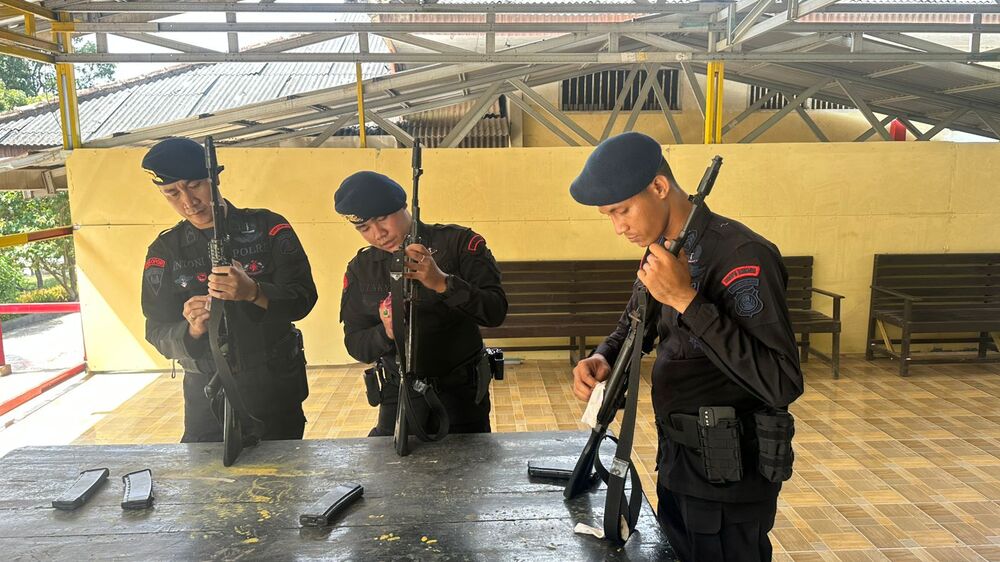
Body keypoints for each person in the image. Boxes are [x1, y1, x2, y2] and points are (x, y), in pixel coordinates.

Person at [570, 132, 804, 562]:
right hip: (679, 466)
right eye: (609, 215)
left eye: (622, 210)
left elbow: (781, 381)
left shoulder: (741, 255)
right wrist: (604, 356)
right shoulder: (664, 250)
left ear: (659, 187)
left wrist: (687, 301)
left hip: (730, 479)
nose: (618, 226)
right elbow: (635, 323)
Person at [140, 137, 318, 443]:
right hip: (205, 393)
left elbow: (303, 298)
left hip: (273, 387)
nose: (188, 201)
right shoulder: (165, 250)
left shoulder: (269, 227)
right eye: (172, 193)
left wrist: (254, 292)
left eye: (195, 185)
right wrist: (192, 329)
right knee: (204, 472)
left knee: (283, 469)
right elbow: (156, 330)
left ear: (215, 178)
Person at [336, 171, 507, 437]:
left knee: (468, 462)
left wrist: (443, 283)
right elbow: (356, 343)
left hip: (461, 396)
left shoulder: (459, 244)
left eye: (382, 219)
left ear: (403, 206)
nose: (379, 234)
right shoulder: (362, 268)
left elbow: (495, 311)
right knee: (389, 462)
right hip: (398, 397)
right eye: (364, 228)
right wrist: (386, 331)